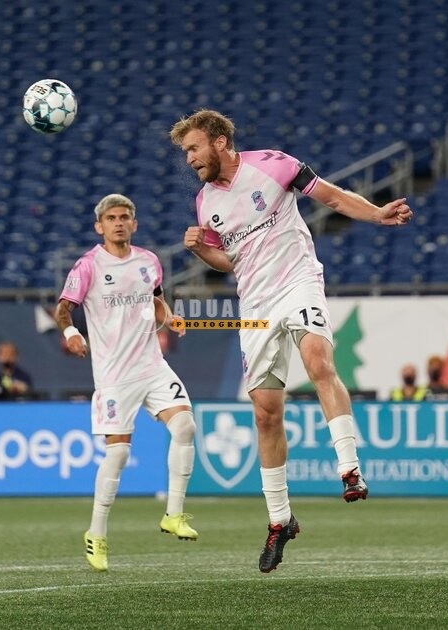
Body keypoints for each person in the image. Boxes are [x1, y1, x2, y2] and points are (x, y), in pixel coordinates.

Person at [170, 109, 413, 573]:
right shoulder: (205, 202)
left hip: (298, 281)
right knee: (266, 412)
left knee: (318, 361)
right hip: (255, 304)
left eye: (194, 148)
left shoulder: (274, 164)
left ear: (219, 142)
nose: (189, 159)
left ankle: (349, 467)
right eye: (185, 152)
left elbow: (333, 197)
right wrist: (202, 250)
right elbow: (231, 261)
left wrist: (377, 214)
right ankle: (280, 520)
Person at [55, 193, 198, 572]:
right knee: (118, 454)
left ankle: (174, 514)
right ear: (99, 226)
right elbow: (63, 308)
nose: (118, 223)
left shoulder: (149, 261)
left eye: (124, 217)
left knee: (185, 426)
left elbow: (157, 300)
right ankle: (96, 534)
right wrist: (71, 332)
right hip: (115, 376)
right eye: (111, 218)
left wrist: (170, 317)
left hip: (152, 366)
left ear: (134, 224)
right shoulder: (88, 266)